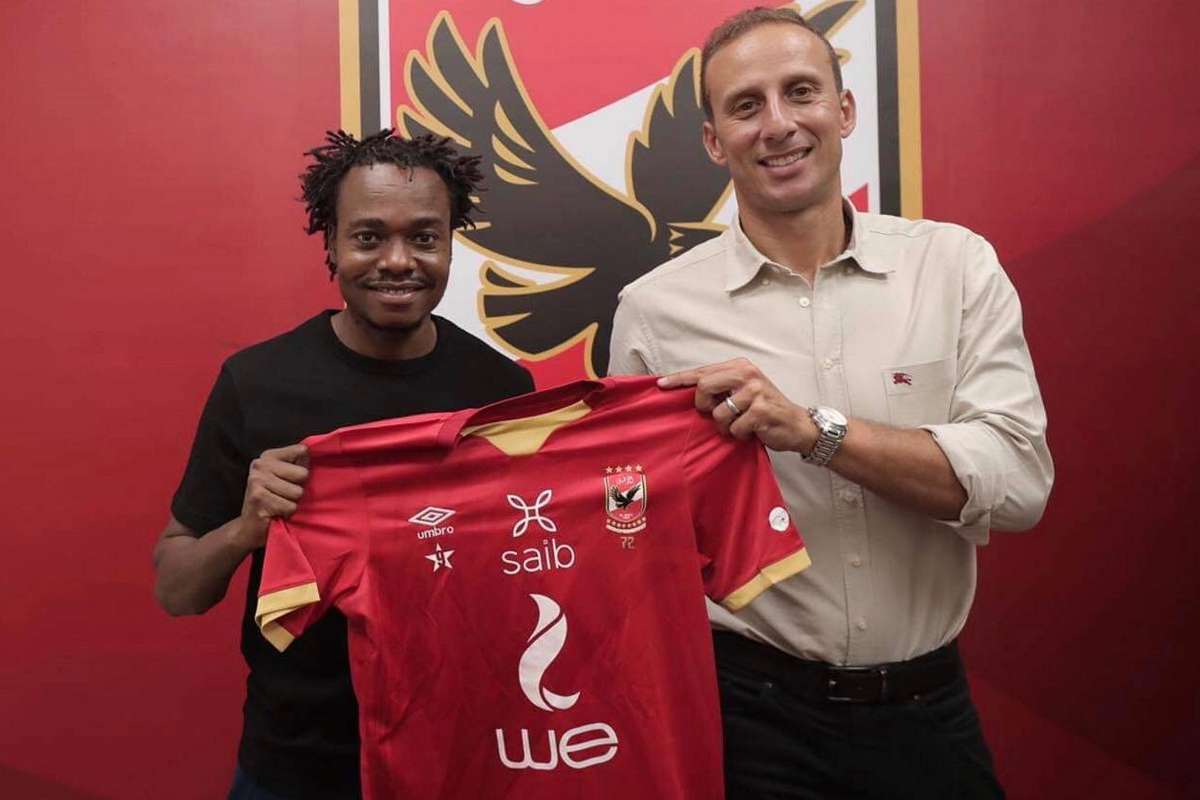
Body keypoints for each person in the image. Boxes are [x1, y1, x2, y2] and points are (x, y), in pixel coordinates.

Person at [609, 7, 1053, 799]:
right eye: (746, 106)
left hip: (926, 708)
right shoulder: (653, 312)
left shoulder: (953, 268)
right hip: (750, 718)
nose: (778, 125)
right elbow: (631, 537)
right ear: (714, 141)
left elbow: (1019, 486)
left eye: (801, 92)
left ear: (844, 110)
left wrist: (814, 432)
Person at [152, 129, 534, 800]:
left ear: (451, 244)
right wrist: (246, 529)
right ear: (330, 243)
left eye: (424, 237)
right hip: (296, 763)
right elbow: (177, 592)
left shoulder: (501, 391)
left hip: (462, 754)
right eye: (368, 237)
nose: (398, 261)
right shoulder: (257, 382)